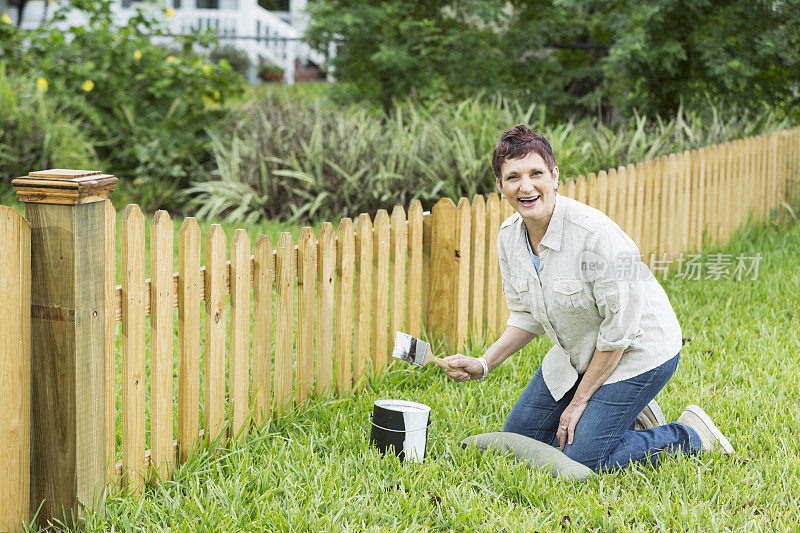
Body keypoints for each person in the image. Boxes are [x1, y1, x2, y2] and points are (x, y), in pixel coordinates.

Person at [443, 125, 733, 472]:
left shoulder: (596, 236)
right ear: (500, 186)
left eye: (536, 173)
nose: (526, 186)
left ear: (554, 176)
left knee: (580, 460)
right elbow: (526, 316)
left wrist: (579, 402)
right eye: (513, 177)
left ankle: (690, 435)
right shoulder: (509, 238)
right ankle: (632, 418)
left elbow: (619, 332)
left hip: (638, 350)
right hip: (581, 351)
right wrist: (483, 363)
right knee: (520, 438)